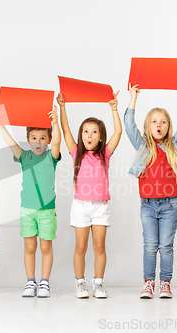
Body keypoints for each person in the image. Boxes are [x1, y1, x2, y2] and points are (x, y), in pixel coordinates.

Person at [124, 83, 177, 299]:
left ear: (168, 127)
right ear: (148, 126)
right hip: (148, 205)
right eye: (154, 122)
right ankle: (148, 283)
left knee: (166, 246)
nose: (159, 125)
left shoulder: (174, 145)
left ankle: (165, 284)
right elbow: (128, 125)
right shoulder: (143, 146)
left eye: (163, 122)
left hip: (170, 204)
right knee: (150, 245)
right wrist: (133, 98)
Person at [58, 91, 122, 299]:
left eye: (94, 132)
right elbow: (65, 130)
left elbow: (118, 133)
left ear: (100, 136)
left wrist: (114, 109)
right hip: (81, 206)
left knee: (99, 245)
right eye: (86, 131)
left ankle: (99, 284)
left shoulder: (105, 154)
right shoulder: (77, 153)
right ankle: (80, 283)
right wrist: (62, 106)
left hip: (100, 206)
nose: (89, 135)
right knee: (81, 246)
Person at [0, 106, 61, 298]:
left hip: (47, 211)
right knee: (29, 247)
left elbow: (57, 143)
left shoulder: (51, 156)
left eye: (42, 138)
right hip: (27, 210)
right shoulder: (25, 156)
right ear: (28, 139)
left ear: (48, 140)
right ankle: (30, 282)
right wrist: (3, 128)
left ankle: (45, 282)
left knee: (45, 247)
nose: (38, 142)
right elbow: (12, 145)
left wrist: (55, 124)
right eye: (33, 138)